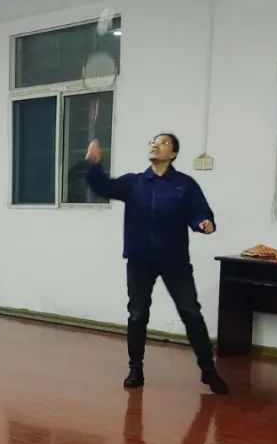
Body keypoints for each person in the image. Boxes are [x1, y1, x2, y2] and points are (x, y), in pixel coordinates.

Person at [85, 134, 229, 395]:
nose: (155, 145)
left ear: (173, 154)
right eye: (152, 142)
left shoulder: (184, 185)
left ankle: (208, 370)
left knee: (191, 312)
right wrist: (94, 166)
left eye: (163, 143)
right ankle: (135, 370)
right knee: (137, 314)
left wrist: (204, 223)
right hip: (139, 260)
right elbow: (103, 187)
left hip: (174, 260)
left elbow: (200, 212)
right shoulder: (134, 183)